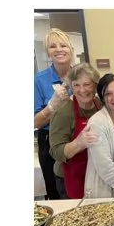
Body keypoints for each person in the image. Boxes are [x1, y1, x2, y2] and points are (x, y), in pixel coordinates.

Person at [67, 72, 114, 200]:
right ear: (101, 97)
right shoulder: (97, 122)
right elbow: (104, 165)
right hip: (109, 190)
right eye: (108, 94)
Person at [33, 28, 82, 198]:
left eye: (63, 45)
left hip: (79, 139)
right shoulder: (39, 80)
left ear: (71, 50)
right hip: (50, 142)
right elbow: (34, 123)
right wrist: (52, 106)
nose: (59, 49)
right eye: (53, 46)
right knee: (57, 193)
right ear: (47, 52)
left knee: (82, 188)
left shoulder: (82, 74)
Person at [46, 65, 101, 200]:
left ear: (95, 85)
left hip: (96, 174)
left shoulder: (100, 105)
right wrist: (79, 143)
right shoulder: (63, 111)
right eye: (76, 85)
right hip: (71, 177)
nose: (82, 90)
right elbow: (56, 151)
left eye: (87, 84)